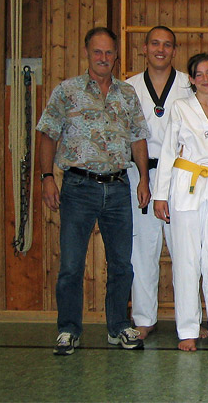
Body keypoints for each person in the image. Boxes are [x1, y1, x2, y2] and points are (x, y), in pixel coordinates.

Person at [37, 27, 149, 355]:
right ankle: (68, 330)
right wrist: (47, 177)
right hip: (77, 187)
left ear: (116, 55)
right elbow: (48, 134)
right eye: (97, 52)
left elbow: (138, 138)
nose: (104, 58)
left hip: (118, 188)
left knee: (121, 265)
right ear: (87, 52)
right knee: (71, 264)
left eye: (109, 52)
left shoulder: (127, 94)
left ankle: (118, 327)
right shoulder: (67, 91)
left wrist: (144, 178)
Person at [153, 53, 208, 352]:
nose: (205, 78)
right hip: (185, 186)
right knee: (186, 262)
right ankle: (188, 329)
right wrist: (159, 195)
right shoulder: (180, 107)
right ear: (190, 79)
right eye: (198, 74)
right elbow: (168, 152)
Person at [125, 25, 191, 339]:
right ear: (144, 48)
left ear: (174, 51)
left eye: (167, 45)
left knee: (184, 250)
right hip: (140, 175)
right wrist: (141, 178)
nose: (160, 49)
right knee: (142, 249)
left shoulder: (188, 87)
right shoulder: (129, 87)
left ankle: (188, 319)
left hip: (178, 176)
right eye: (155, 43)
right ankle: (144, 318)